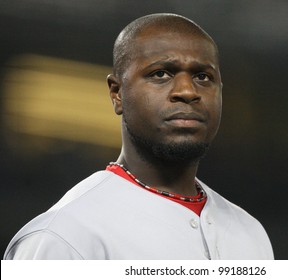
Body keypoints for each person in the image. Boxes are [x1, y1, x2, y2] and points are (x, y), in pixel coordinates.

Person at [4, 13, 273, 260]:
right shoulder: (66, 235)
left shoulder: (250, 234)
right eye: (161, 74)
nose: (187, 91)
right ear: (117, 93)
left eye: (203, 77)